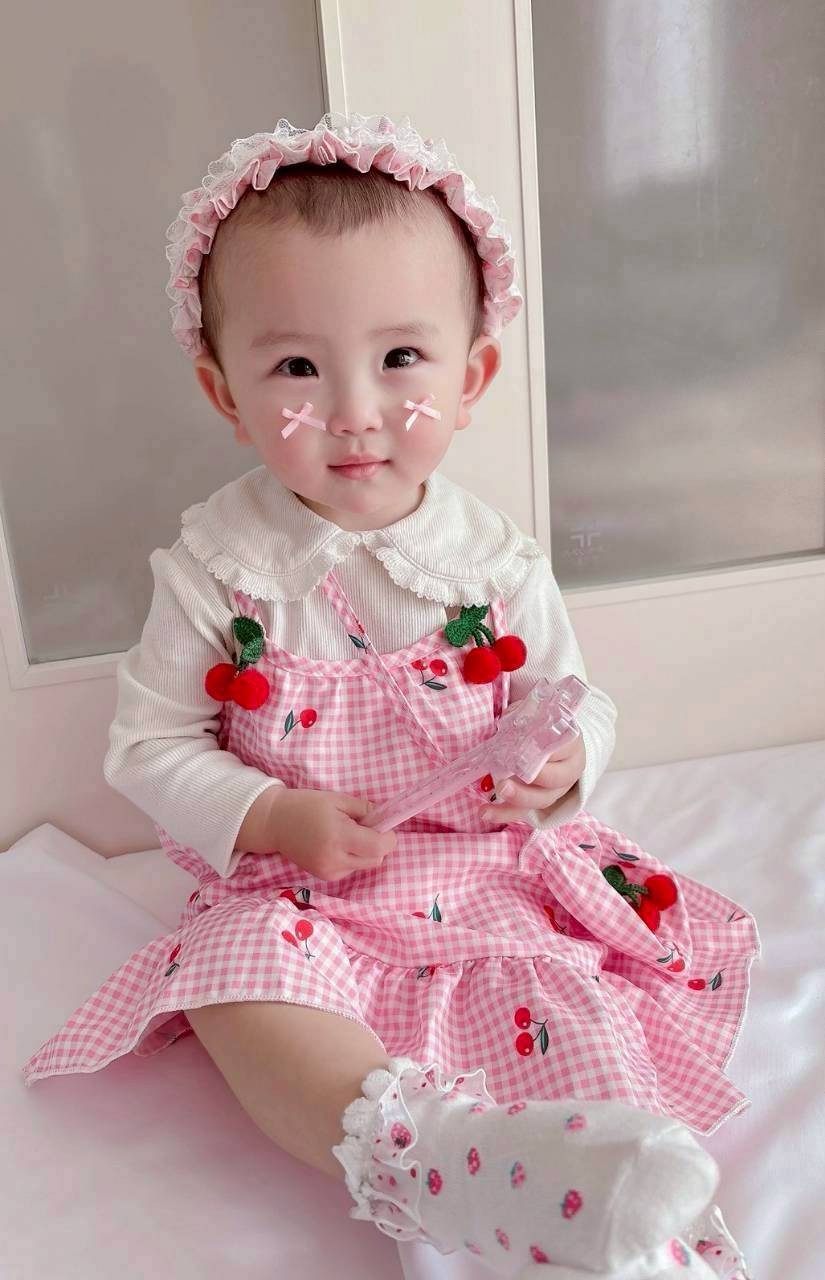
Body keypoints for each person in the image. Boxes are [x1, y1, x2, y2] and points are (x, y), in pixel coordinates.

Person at [21, 113, 758, 1280]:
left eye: (402, 358)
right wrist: (270, 813)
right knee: (238, 985)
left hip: (484, 877)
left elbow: (579, 700)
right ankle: (436, 1155)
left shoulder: (494, 564)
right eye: (296, 368)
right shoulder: (217, 569)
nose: (355, 408)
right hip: (303, 888)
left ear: (471, 378)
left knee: (560, 1007)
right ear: (224, 391)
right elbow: (149, 745)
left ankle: (619, 1216)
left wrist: (563, 763)